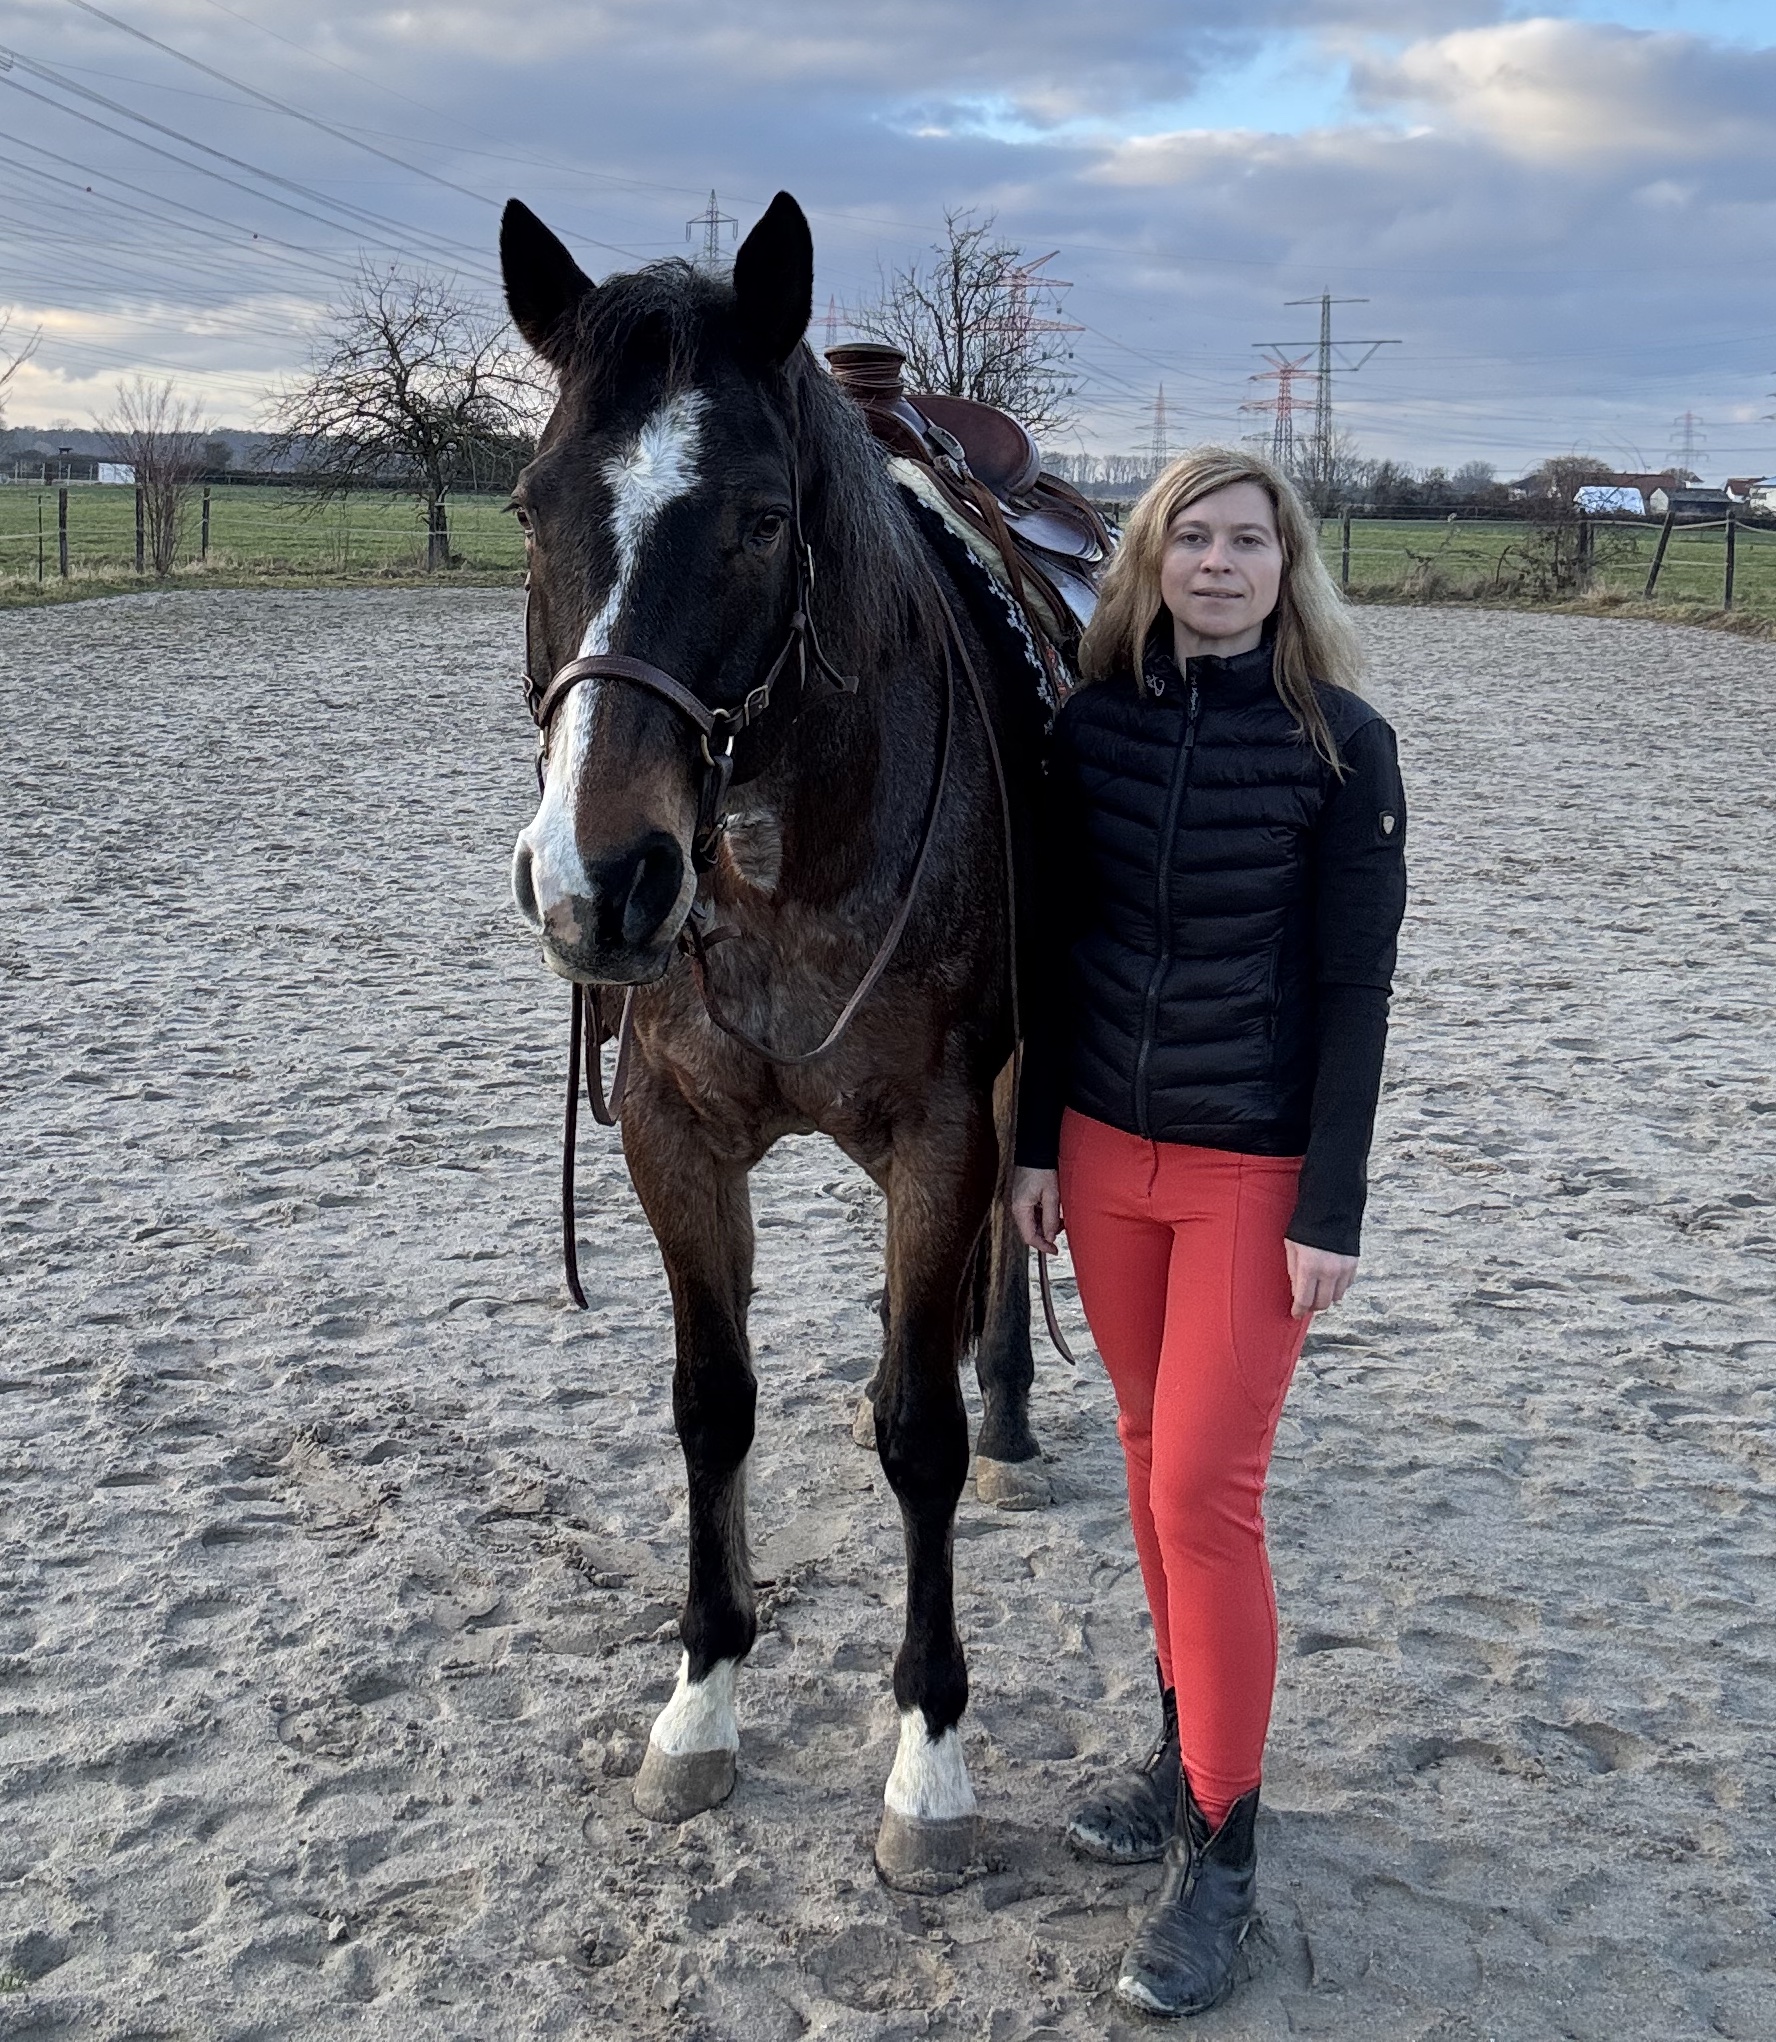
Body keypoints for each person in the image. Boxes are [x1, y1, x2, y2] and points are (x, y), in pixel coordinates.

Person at [1010, 447, 1407, 2018]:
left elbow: (1359, 995)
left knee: (1201, 1490)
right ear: (1153, 560)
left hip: (1254, 1172)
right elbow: (1053, 944)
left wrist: (1333, 1203)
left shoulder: (1343, 747)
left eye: (1250, 540)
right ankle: (1185, 1758)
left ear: (1287, 563)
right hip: (1104, 1153)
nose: (1221, 564)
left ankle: (1224, 1852)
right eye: (1195, 537)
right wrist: (1036, 1144)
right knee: (1135, 1447)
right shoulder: (1089, 727)